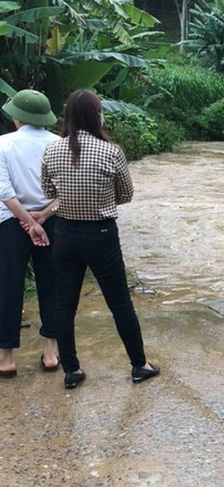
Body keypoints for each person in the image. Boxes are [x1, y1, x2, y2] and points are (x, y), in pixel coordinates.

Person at [41, 90, 159, 389]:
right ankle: (139, 365)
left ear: (67, 116)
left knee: (64, 305)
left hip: (65, 233)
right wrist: (101, 201)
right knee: (119, 303)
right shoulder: (111, 151)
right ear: (97, 115)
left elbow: (48, 192)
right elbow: (127, 194)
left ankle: (72, 370)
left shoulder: (52, 150)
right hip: (101, 234)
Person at [0, 89, 60, 378]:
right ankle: (51, 351)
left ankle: (6, 357)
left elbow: (4, 192)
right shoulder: (60, 144)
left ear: (16, 118)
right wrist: (42, 217)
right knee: (52, 284)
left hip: (10, 222)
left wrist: (26, 220)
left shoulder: (3, 144)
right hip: (50, 221)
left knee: (8, 285)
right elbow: (67, 190)